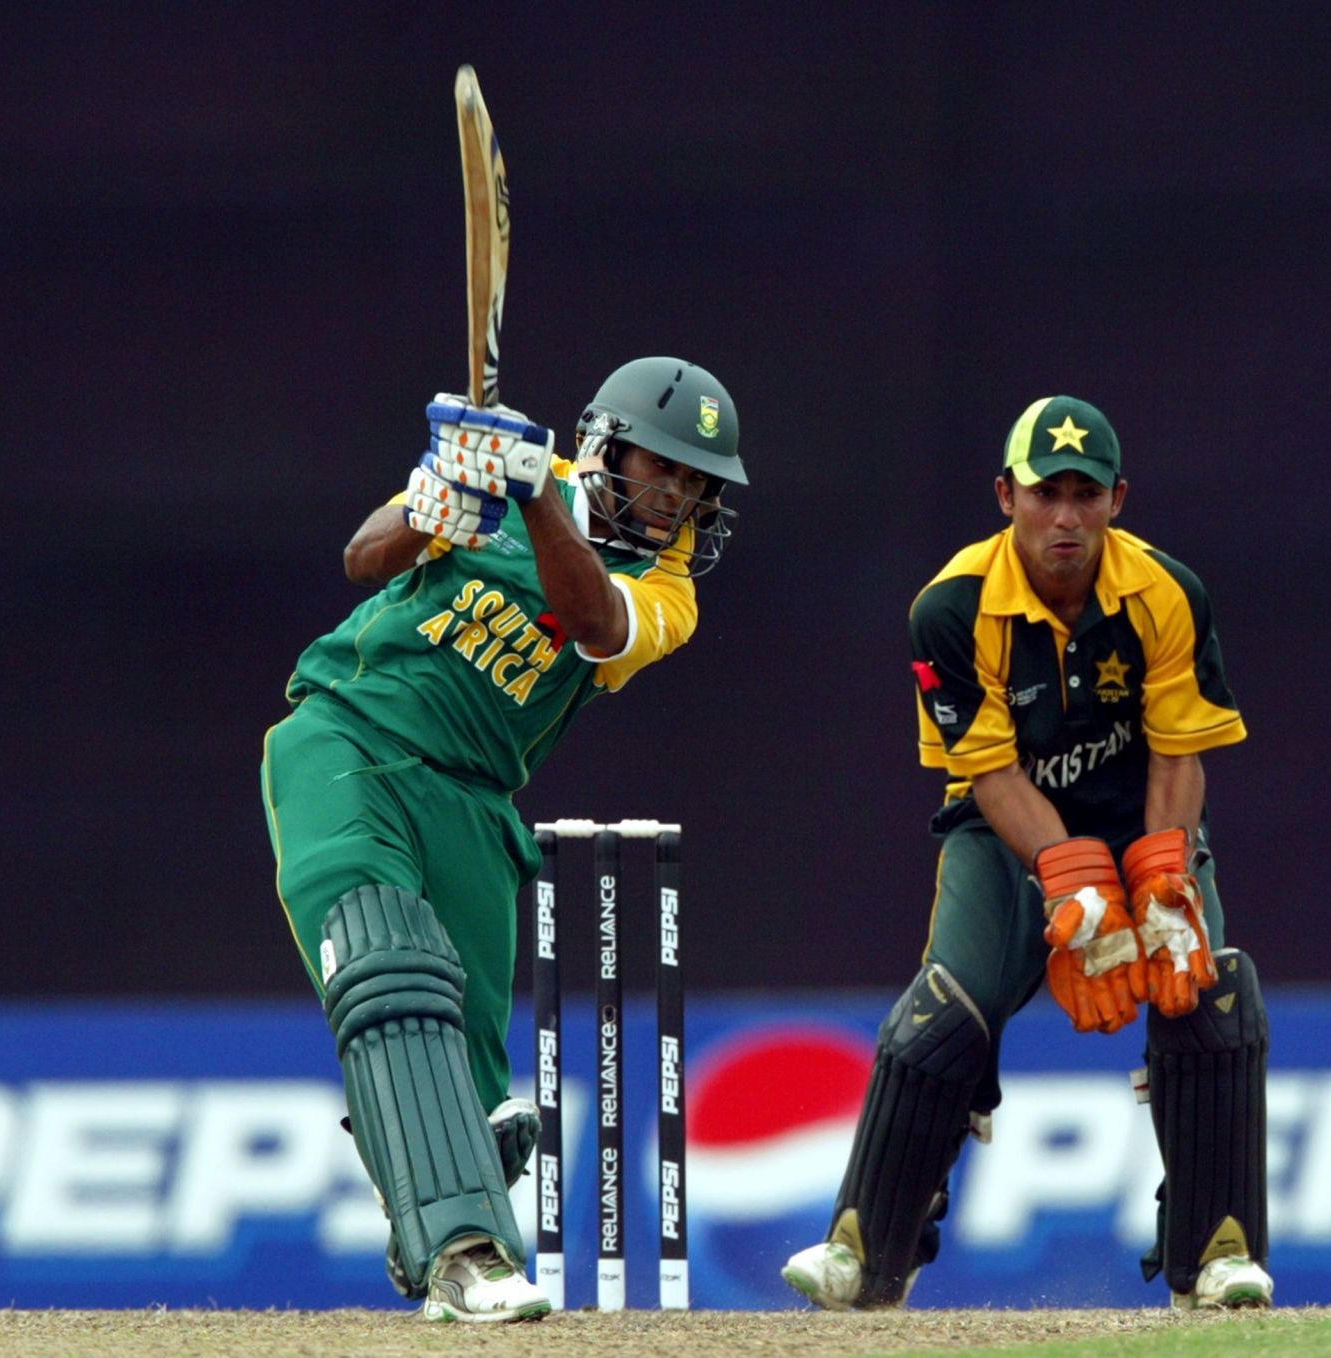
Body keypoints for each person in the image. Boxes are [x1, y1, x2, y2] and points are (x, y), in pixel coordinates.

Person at [262, 358, 745, 1322]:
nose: (680, 496)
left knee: (477, 1096)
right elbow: (364, 559)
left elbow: (596, 622)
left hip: (475, 804)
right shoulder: (512, 471)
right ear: (606, 446)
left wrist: (527, 500)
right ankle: (463, 1256)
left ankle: (448, 1240)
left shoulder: (668, 590)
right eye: (667, 469)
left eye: (698, 483)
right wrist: (441, 494)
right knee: (386, 964)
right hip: (347, 736)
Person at [782, 396, 1270, 1311]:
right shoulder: (949, 609)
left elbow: (1179, 748)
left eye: (1086, 495)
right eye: (1047, 493)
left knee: (1204, 984)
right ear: (1005, 495)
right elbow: (991, 772)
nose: (1066, 518)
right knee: (950, 1003)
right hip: (1007, 837)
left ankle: (1215, 1251)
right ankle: (867, 1244)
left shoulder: (1168, 592)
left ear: (1118, 500)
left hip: (1143, 823)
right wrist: (1071, 877)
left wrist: (1161, 876)